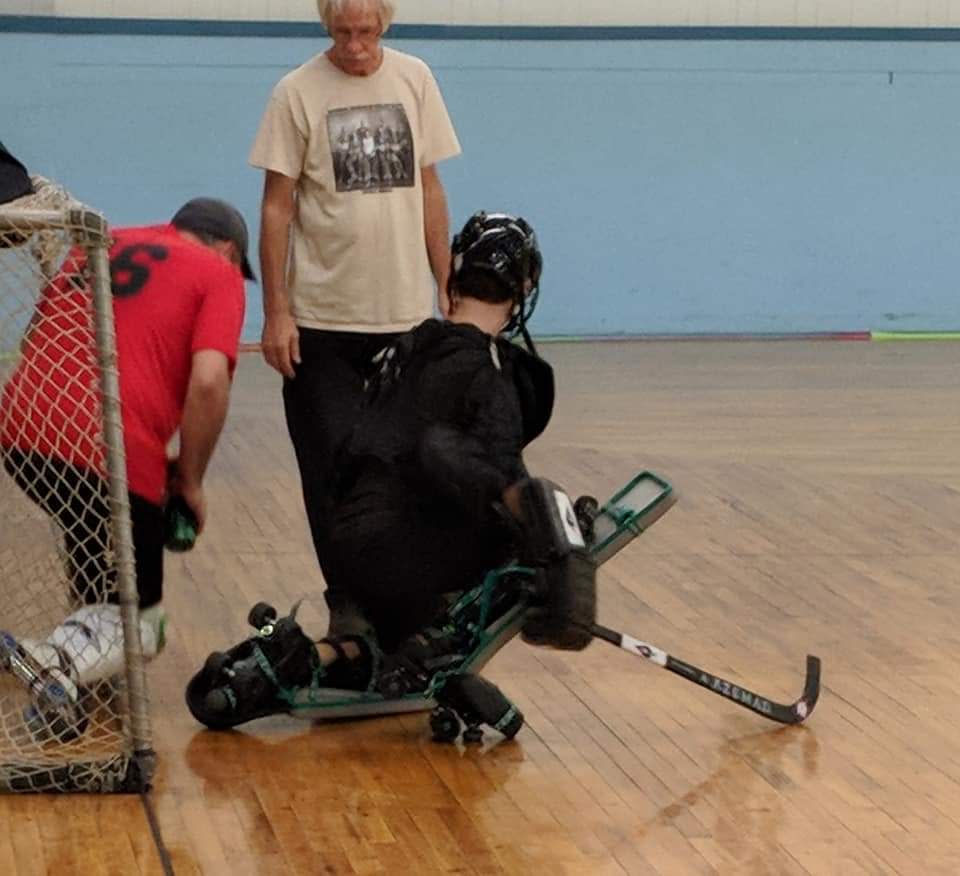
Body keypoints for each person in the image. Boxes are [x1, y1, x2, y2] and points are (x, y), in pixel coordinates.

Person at [187, 211, 597, 728]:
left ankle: (304, 656)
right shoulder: (493, 374)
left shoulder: (405, 347)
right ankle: (435, 648)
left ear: (456, 271)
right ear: (525, 286)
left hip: (351, 554)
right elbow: (491, 477)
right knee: (523, 543)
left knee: (390, 606)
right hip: (411, 559)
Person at [248, 0, 461, 632]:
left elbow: (429, 187)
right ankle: (349, 605)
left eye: (366, 32)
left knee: (411, 464)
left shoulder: (416, 79)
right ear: (326, 27)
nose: (356, 45)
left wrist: (447, 284)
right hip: (322, 325)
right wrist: (276, 312)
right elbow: (276, 209)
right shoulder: (296, 92)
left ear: (385, 24)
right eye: (343, 33)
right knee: (332, 468)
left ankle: (414, 602)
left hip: (405, 319)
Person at [0, 195, 251, 731]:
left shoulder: (100, 243)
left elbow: (36, 336)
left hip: (21, 427)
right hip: (107, 450)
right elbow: (209, 382)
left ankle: (68, 664)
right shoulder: (218, 273)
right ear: (229, 250)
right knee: (144, 625)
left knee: (96, 545)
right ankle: (51, 661)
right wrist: (190, 479)